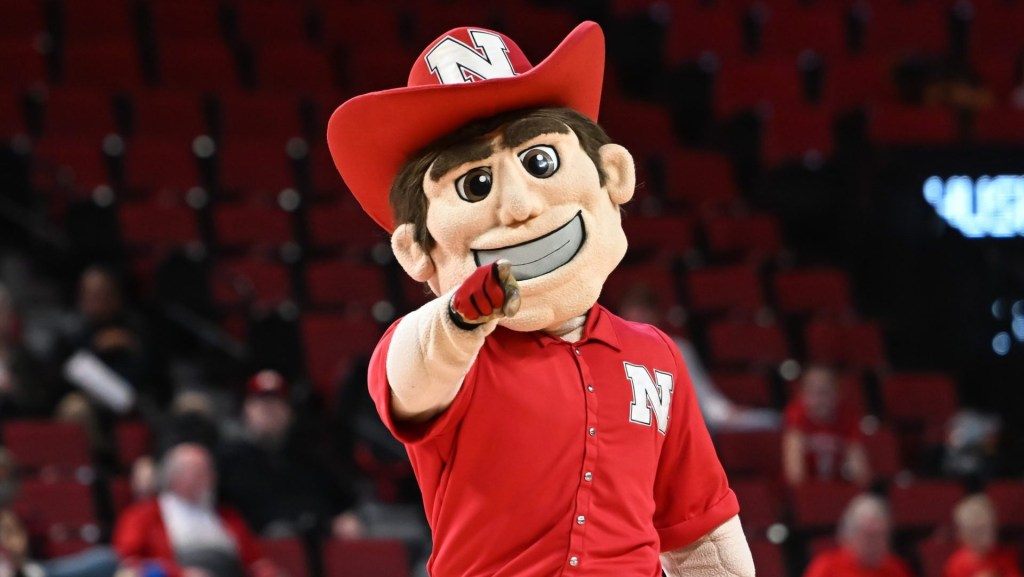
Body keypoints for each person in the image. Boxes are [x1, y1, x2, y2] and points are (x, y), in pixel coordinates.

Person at [327, 21, 753, 576]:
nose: (520, 206)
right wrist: (457, 322)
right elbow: (413, 377)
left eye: (539, 162)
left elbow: (698, 529)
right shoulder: (446, 352)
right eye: (475, 184)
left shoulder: (656, 357)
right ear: (416, 250)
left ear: (612, 174)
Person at [218, 370, 363, 540]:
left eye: (276, 404)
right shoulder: (228, 460)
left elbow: (345, 504)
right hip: (255, 553)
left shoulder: (312, 458)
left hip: (313, 550)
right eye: (261, 404)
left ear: (290, 412)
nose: (269, 410)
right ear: (246, 410)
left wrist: (345, 519)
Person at [616, 285, 780, 432]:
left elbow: (705, 399)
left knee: (770, 420)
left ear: (656, 315)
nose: (636, 317)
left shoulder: (677, 349)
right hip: (627, 433)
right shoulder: (611, 352)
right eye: (632, 310)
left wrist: (725, 411)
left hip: (673, 432)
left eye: (643, 310)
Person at [113, 443, 278, 577]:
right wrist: (179, 574)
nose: (211, 478)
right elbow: (130, 562)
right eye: (201, 472)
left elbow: (254, 560)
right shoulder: (141, 515)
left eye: (210, 471)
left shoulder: (227, 515)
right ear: (176, 476)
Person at [783, 364, 871, 487]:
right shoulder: (797, 414)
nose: (818, 400)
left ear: (837, 394)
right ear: (802, 396)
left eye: (824, 392)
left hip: (839, 487)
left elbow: (861, 474)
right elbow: (795, 474)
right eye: (812, 393)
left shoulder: (848, 416)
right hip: (807, 492)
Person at [804, 494, 914, 577]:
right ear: (849, 536)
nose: (875, 542)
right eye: (869, 535)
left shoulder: (896, 568)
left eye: (880, 535)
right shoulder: (826, 568)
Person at [944, 494, 1022, 577]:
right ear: (964, 534)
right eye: (979, 530)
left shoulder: (1005, 556)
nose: (988, 534)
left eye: (991, 526)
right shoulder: (956, 564)